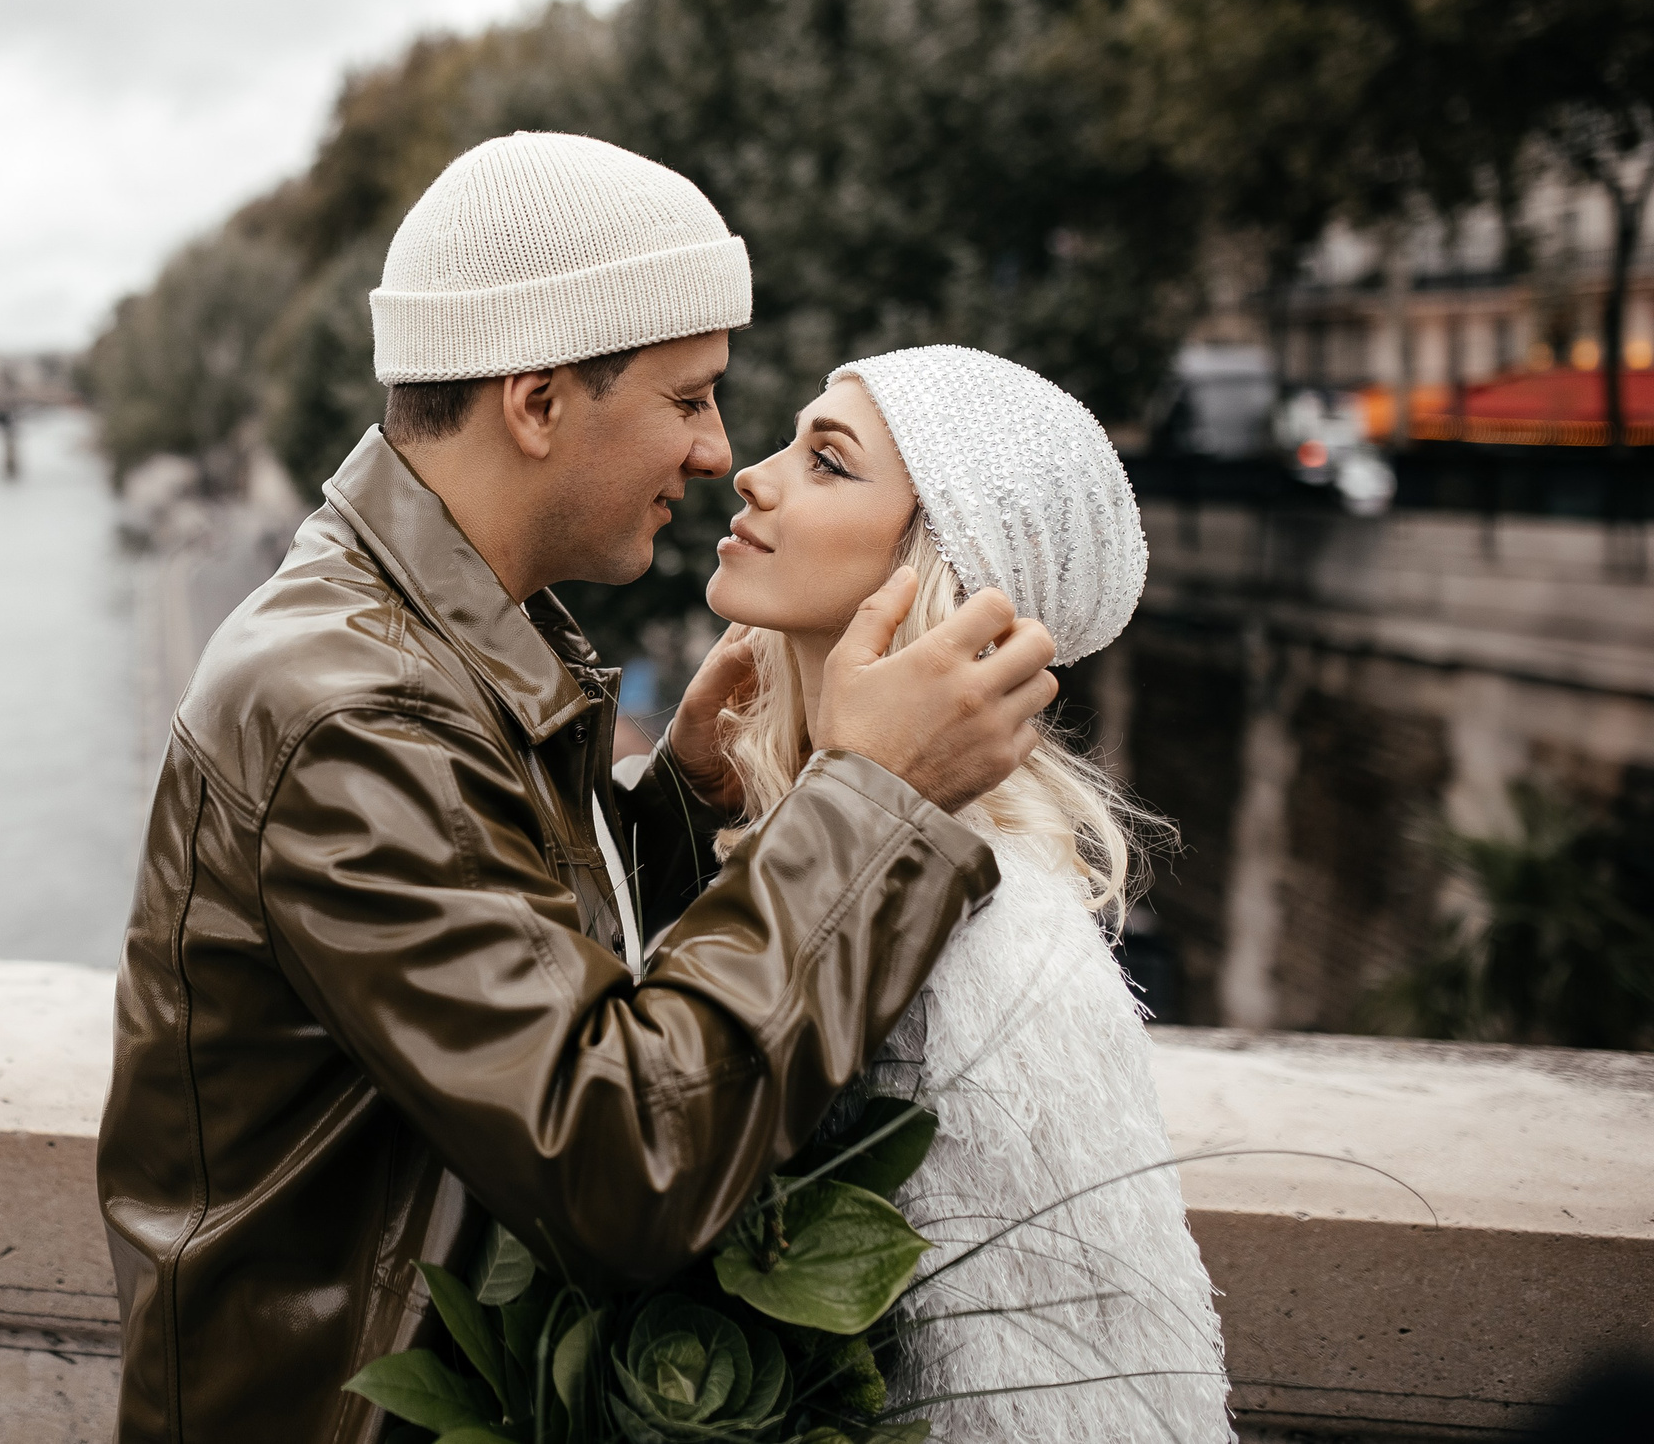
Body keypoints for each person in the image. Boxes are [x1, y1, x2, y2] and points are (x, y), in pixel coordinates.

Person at [97, 133, 1059, 1443]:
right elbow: (622, 1158)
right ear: (540, 402)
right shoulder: (348, 705)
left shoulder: (417, 637)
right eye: (689, 396)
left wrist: (671, 813)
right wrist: (871, 797)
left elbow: (476, 962)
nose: (720, 449)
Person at [707, 343, 1232, 1442]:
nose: (752, 473)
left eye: (827, 462)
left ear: (938, 567)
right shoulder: (772, 825)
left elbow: (1082, 1388)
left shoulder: (1003, 928)